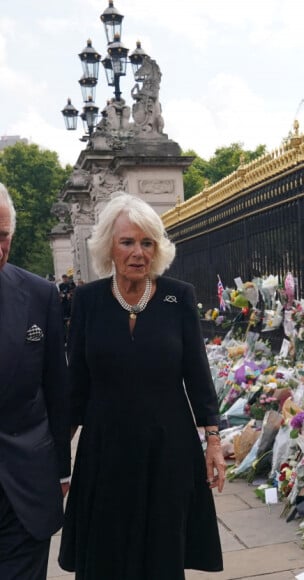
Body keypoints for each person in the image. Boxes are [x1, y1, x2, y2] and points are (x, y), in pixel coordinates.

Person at [58, 192, 226, 579]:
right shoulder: (87, 301)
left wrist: (213, 441)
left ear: (157, 248)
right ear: (109, 248)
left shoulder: (177, 296)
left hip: (168, 450)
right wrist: (57, 462)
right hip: (105, 450)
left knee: (162, 555)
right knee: (106, 556)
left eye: (147, 242)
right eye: (127, 242)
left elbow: (197, 374)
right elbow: (76, 386)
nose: (138, 252)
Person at [0, 183, 70, 579]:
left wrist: (61, 469)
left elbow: (56, 388)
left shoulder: (39, 294)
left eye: (3, 236)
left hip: (25, 488)